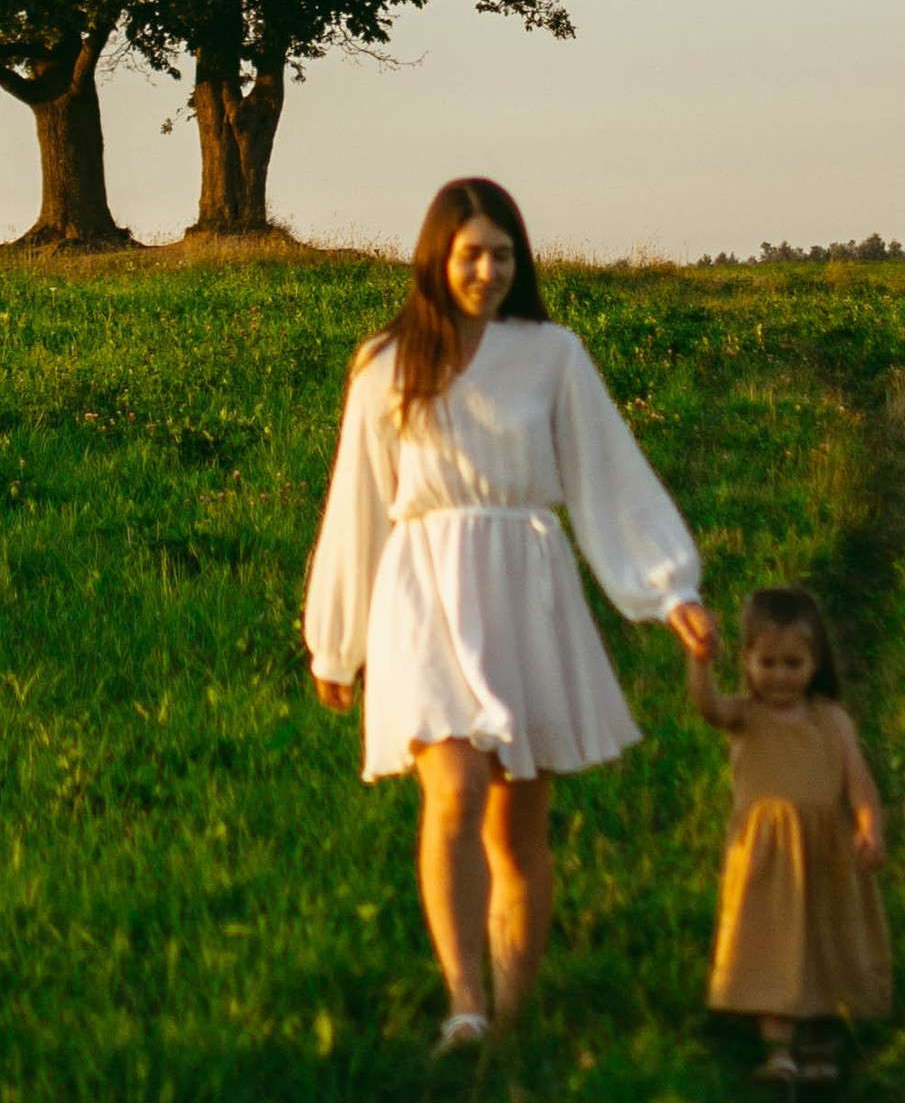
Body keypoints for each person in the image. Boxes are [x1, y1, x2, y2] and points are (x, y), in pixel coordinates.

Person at [305, 176, 717, 1052]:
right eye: (471, 254)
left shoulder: (552, 353)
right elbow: (357, 501)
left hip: (525, 585)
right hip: (425, 590)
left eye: (502, 254)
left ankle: (517, 1015)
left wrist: (668, 587)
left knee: (518, 825)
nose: (488, 269)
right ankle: (465, 1003)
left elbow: (607, 476)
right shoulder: (387, 364)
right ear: (437, 257)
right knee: (452, 794)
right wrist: (335, 642)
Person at [686, 586, 892, 1081]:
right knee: (770, 941)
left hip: (824, 852)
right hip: (764, 854)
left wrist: (869, 828)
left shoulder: (833, 720)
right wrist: (698, 661)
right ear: (748, 661)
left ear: (815, 663)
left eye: (793, 664)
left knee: (824, 938)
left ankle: (821, 1039)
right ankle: (777, 1044)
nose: (780, 676)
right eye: (769, 663)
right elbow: (707, 706)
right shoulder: (745, 714)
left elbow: (858, 782)